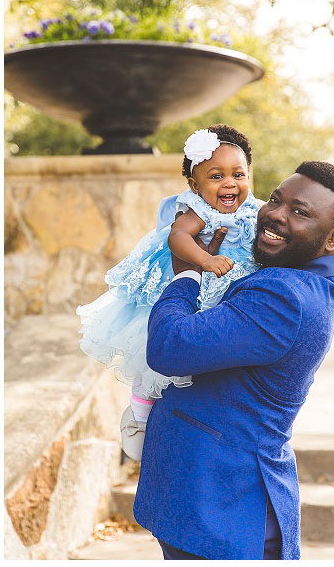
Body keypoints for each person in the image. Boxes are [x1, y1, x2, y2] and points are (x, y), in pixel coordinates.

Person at [134, 160, 334, 559]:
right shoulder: (300, 281)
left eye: (299, 212)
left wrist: (186, 274)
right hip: (204, 503)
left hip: (226, 513)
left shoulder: (286, 296)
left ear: (333, 238)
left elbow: (170, 347)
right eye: (275, 199)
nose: (275, 214)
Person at [77, 125, 259, 461]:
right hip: (190, 282)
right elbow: (178, 237)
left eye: (238, 174)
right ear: (195, 185)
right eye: (216, 176)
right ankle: (138, 416)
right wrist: (204, 259)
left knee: (203, 353)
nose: (230, 183)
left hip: (226, 290)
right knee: (151, 354)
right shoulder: (197, 210)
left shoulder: (254, 211)